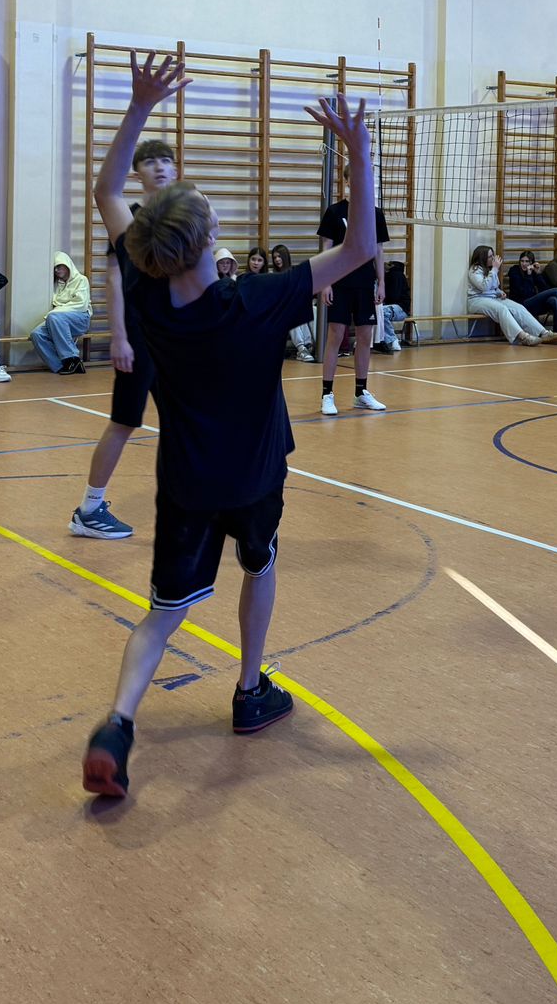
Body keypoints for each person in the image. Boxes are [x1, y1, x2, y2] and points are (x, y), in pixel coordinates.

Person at [81, 54, 378, 799]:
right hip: (254, 478)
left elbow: (107, 190)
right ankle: (250, 691)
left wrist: (140, 105)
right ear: (209, 238)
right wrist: (358, 154)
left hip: (186, 482)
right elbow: (360, 248)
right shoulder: (258, 301)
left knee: (161, 615)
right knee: (260, 566)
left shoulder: (147, 292)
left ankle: (117, 724)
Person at [69, 136, 178, 542]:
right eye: (150, 162)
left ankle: (191, 502)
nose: (160, 167)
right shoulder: (128, 220)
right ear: (136, 174)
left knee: (184, 421)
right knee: (124, 420)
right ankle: (89, 509)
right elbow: (114, 280)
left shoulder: (183, 215)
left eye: (166, 160)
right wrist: (119, 337)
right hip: (139, 337)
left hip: (176, 340)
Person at [317, 163, 388, 415]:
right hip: (339, 281)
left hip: (364, 283)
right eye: (354, 178)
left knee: (366, 336)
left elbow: (378, 250)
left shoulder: (375, 214)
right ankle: (327, 394)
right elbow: (325, 249)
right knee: (336, 336)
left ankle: (360, 392)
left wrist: (381, 282)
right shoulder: (335, 212)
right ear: (347, 181)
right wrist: (325, 282)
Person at [467, 248, 553, 344]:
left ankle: (543, 333)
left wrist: (499, 292)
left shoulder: (489, 269)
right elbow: (484, 287)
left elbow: (493, 287)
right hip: (477, 300)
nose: (493, 258)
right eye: (490, 256)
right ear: (483, 258)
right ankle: (523, 337)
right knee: (501, 309)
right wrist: (495, 269)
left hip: (492, 298)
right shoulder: (475, 270)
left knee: (519, 307)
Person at [30, 253, 93, 374]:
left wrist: (55, 312)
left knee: (53, 317)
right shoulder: (55, 284)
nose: (56, 270)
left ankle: (72, 359)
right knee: (36, 334)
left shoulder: (81, 280)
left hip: (80, 319)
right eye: (54, 267)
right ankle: (61, 366)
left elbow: (81, 304)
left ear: (68, 265)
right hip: (57, 322)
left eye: (59, 266)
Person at [507, 249, 557, 341]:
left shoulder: (533, 272)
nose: (524, 264)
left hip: (534, 304)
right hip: (521, 304)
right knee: (556, 291)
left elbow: (544, 289)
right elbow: (524, 293)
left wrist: (538, 274)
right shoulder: (514, 271)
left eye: (527, 261)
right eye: (522, 261)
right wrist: (528, 276)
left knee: (554, 300)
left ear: (531, 262)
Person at [271, 243, 316, 360]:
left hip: (297, 306)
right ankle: (302, 348)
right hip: (280, 311)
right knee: (291, 313)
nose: (277, 260)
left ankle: (312, 345)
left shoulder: (294, 273)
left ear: (285, 257)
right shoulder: (273, 276)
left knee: (311, 310)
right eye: (275, 257)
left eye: (279, 256)